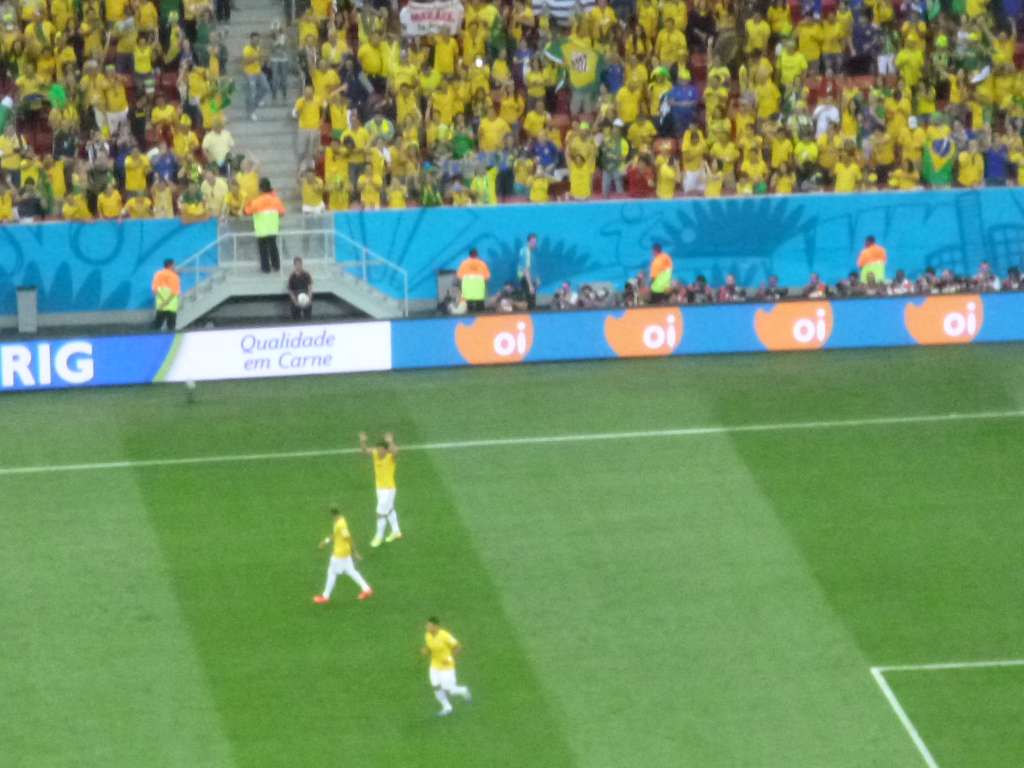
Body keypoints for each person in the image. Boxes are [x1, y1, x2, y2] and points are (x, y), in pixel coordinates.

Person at [313, 507, 373, 604]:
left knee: (331, 573)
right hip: (345, 553)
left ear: (333, 515)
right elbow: (334, 535)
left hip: (340, 554)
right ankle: (367, 589)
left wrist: (355, 552)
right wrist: (325, 542)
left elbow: (348, 538)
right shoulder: (340, 521)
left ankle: (325, 597)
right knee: (351, 571)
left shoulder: (341, 525)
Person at [422, 617, 472, 717]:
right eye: (427, 625)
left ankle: (464, 690)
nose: (427, 627)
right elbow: (429, 646)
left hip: (447, 667)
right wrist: (425, 650)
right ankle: (447, 707)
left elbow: (458, 647)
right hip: (434, 666)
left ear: (436, 626)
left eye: (430, 625)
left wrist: (449, 658)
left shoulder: (444, 635)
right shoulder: (427, 635)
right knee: (436, 687)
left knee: (449, 690)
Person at [359, 431, 401, 548]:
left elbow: (396, 452)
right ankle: (396, 531)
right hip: (380, 489)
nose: (378, 451)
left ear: (386, 450)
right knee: (390, 509)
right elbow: (364, 451)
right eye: (377, 449)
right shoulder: (375, 455)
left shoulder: (390, 457)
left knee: (380, 513)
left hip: (388, 489)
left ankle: (379, 537)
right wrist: (363, 441)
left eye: (380, 449)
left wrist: (390, 441)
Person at [244, 178, 286, 273]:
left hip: (261, 229)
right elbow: (282, 213)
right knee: (273, 247)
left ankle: (266, 268)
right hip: (273, 228)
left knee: (263, 250)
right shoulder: (276, 200)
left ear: (260, 189)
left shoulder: (256, 201)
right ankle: (276, 266)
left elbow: (247, 211)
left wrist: (247, 203)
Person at [151, 259, 181, 331]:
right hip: (171, 305)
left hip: (161, 305)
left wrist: (163, 301)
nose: (175, 266)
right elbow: (175, 292)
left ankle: (155, 340)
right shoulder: (175, 276)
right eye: (174, 265)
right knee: (171, 327)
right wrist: (167, 301)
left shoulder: (158, 274)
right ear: (171, 265)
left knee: (157, 326)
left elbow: (154, 290)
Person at [517, 233, 539, 310]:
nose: (534, 244)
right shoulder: (526, 252)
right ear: (528, 242)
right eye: (533, 242)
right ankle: (531, 319)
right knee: (530, 303)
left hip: (528, 279)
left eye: (535, 242)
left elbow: (532, 267)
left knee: (531, 301)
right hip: (526, 279)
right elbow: (526, 269)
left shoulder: (528, 251)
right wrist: (530, 285)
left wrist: (536, 278)